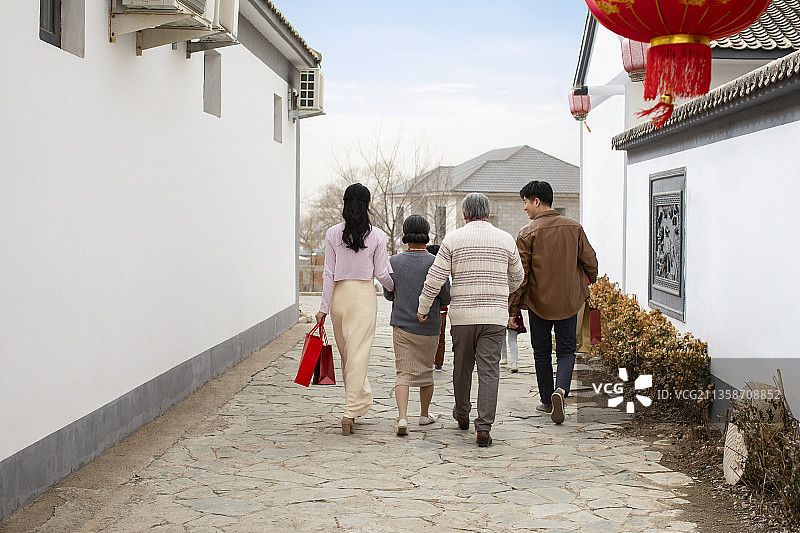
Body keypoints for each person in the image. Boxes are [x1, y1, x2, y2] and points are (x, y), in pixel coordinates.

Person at [417, 193, 524, 447]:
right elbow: (518, 276)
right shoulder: (505, 239)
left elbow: (436, 277)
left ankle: (462, 413)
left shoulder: (453, 239)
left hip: (463, 316)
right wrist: (501, 289)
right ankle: (484, 427)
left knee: (462, 366)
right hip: (494, 317)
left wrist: (423, 306)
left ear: (464, 214)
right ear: (488, 213)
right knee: (489, 370)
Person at [509, 181, 598, 425]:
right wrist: (588, 282)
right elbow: (590, 262)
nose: (524, 208)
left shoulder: (527, 233)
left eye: (526, 202)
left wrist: (513, 307)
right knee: (567, 350)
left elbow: (522, 275)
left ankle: (547, 400)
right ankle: (562, 390)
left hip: (539, 303)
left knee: (541, 351)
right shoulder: (574, 228)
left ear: (537, 201)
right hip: (570, 301)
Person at [315, 183, 394, 436]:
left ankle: (357, 402)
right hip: (363, 297)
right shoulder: (378, 236)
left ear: (345, 204)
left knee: (348, 356)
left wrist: (323, 309)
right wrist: (394, 289)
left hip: (340, 297)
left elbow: (328, 273)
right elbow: (382, 273)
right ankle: (350, 411)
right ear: (368, 204)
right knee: (359, 354)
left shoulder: (332, 234)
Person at [384, 216, 450, 436]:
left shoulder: (394, 261)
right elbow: (446, 296)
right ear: (427, 233)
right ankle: (423, 415)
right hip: (429, 326)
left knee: (402, 372)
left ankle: (402, 418)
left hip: (402, 324)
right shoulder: (435, 262)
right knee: (426, 371)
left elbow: (388, 293)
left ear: (405, 234)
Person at [426, 244, 448, 372]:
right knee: (441, 337)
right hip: (441, 309)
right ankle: (438, 362)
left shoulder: (425, 268)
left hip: (426, 307)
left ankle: (426, 360)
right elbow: (446, 291)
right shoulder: (442, 268)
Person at [499, 308, 526, 373]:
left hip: (502, 308)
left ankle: (505, 357)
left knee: (502, 335)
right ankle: (513, 362)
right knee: (512, 339)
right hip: (514, 309)